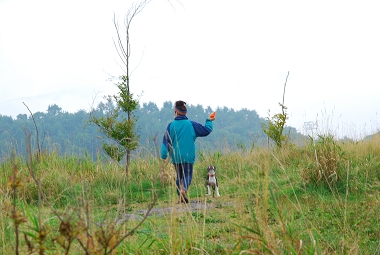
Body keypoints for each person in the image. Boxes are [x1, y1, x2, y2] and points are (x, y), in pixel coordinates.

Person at [161, 100, 215, 203]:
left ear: (176, 112)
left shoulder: (171, 126)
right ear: (185, 113)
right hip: (188, 156)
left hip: (176, 157)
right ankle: (183, 190)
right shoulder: (191, 124)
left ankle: (179, 196)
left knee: (179, 176)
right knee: (187, 175)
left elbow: (165, 143)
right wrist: (209, 120)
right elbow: (206, 130)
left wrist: (163, 156)